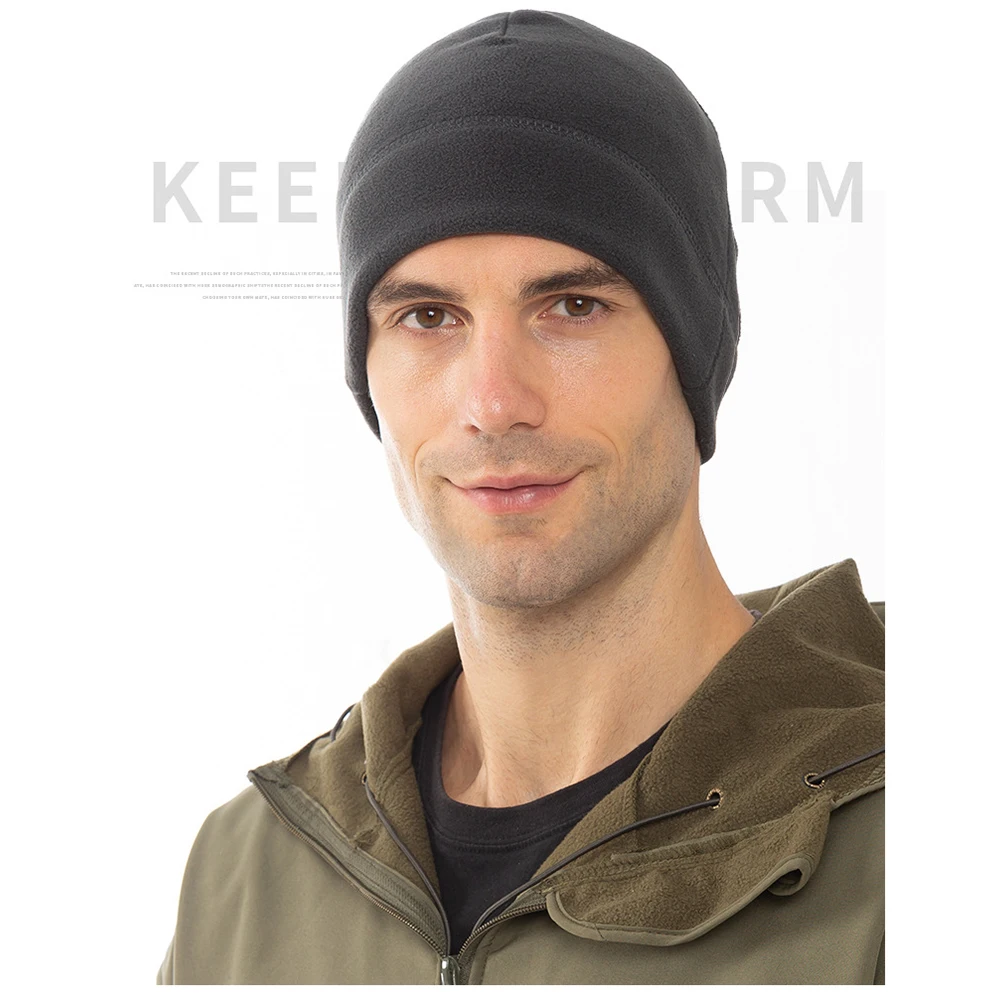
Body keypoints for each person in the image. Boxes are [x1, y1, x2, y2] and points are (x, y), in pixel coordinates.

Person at [157, 9, 884, 985]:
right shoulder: (246, 882)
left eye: (572, 306)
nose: (493, 403)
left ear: (695, 347)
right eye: (427, 316)